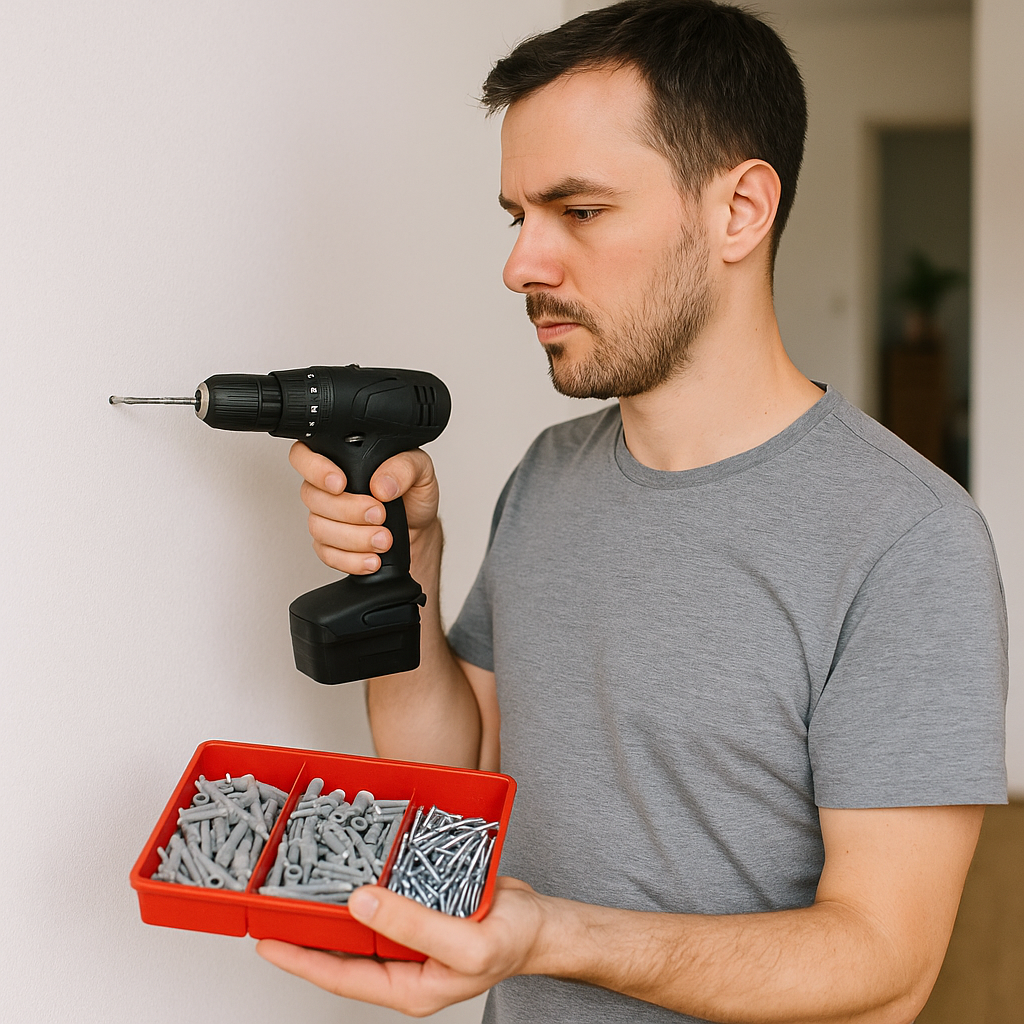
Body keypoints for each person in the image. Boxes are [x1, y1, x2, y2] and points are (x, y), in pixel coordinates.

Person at [257, 2, 1008, 1021]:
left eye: (580, 210)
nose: (522, 265)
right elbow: (449, 777)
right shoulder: (551, 472)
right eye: (517, 216)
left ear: (738, 210)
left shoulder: (904, 537)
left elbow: (884, 960)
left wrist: (555, 933)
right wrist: (411, 574)